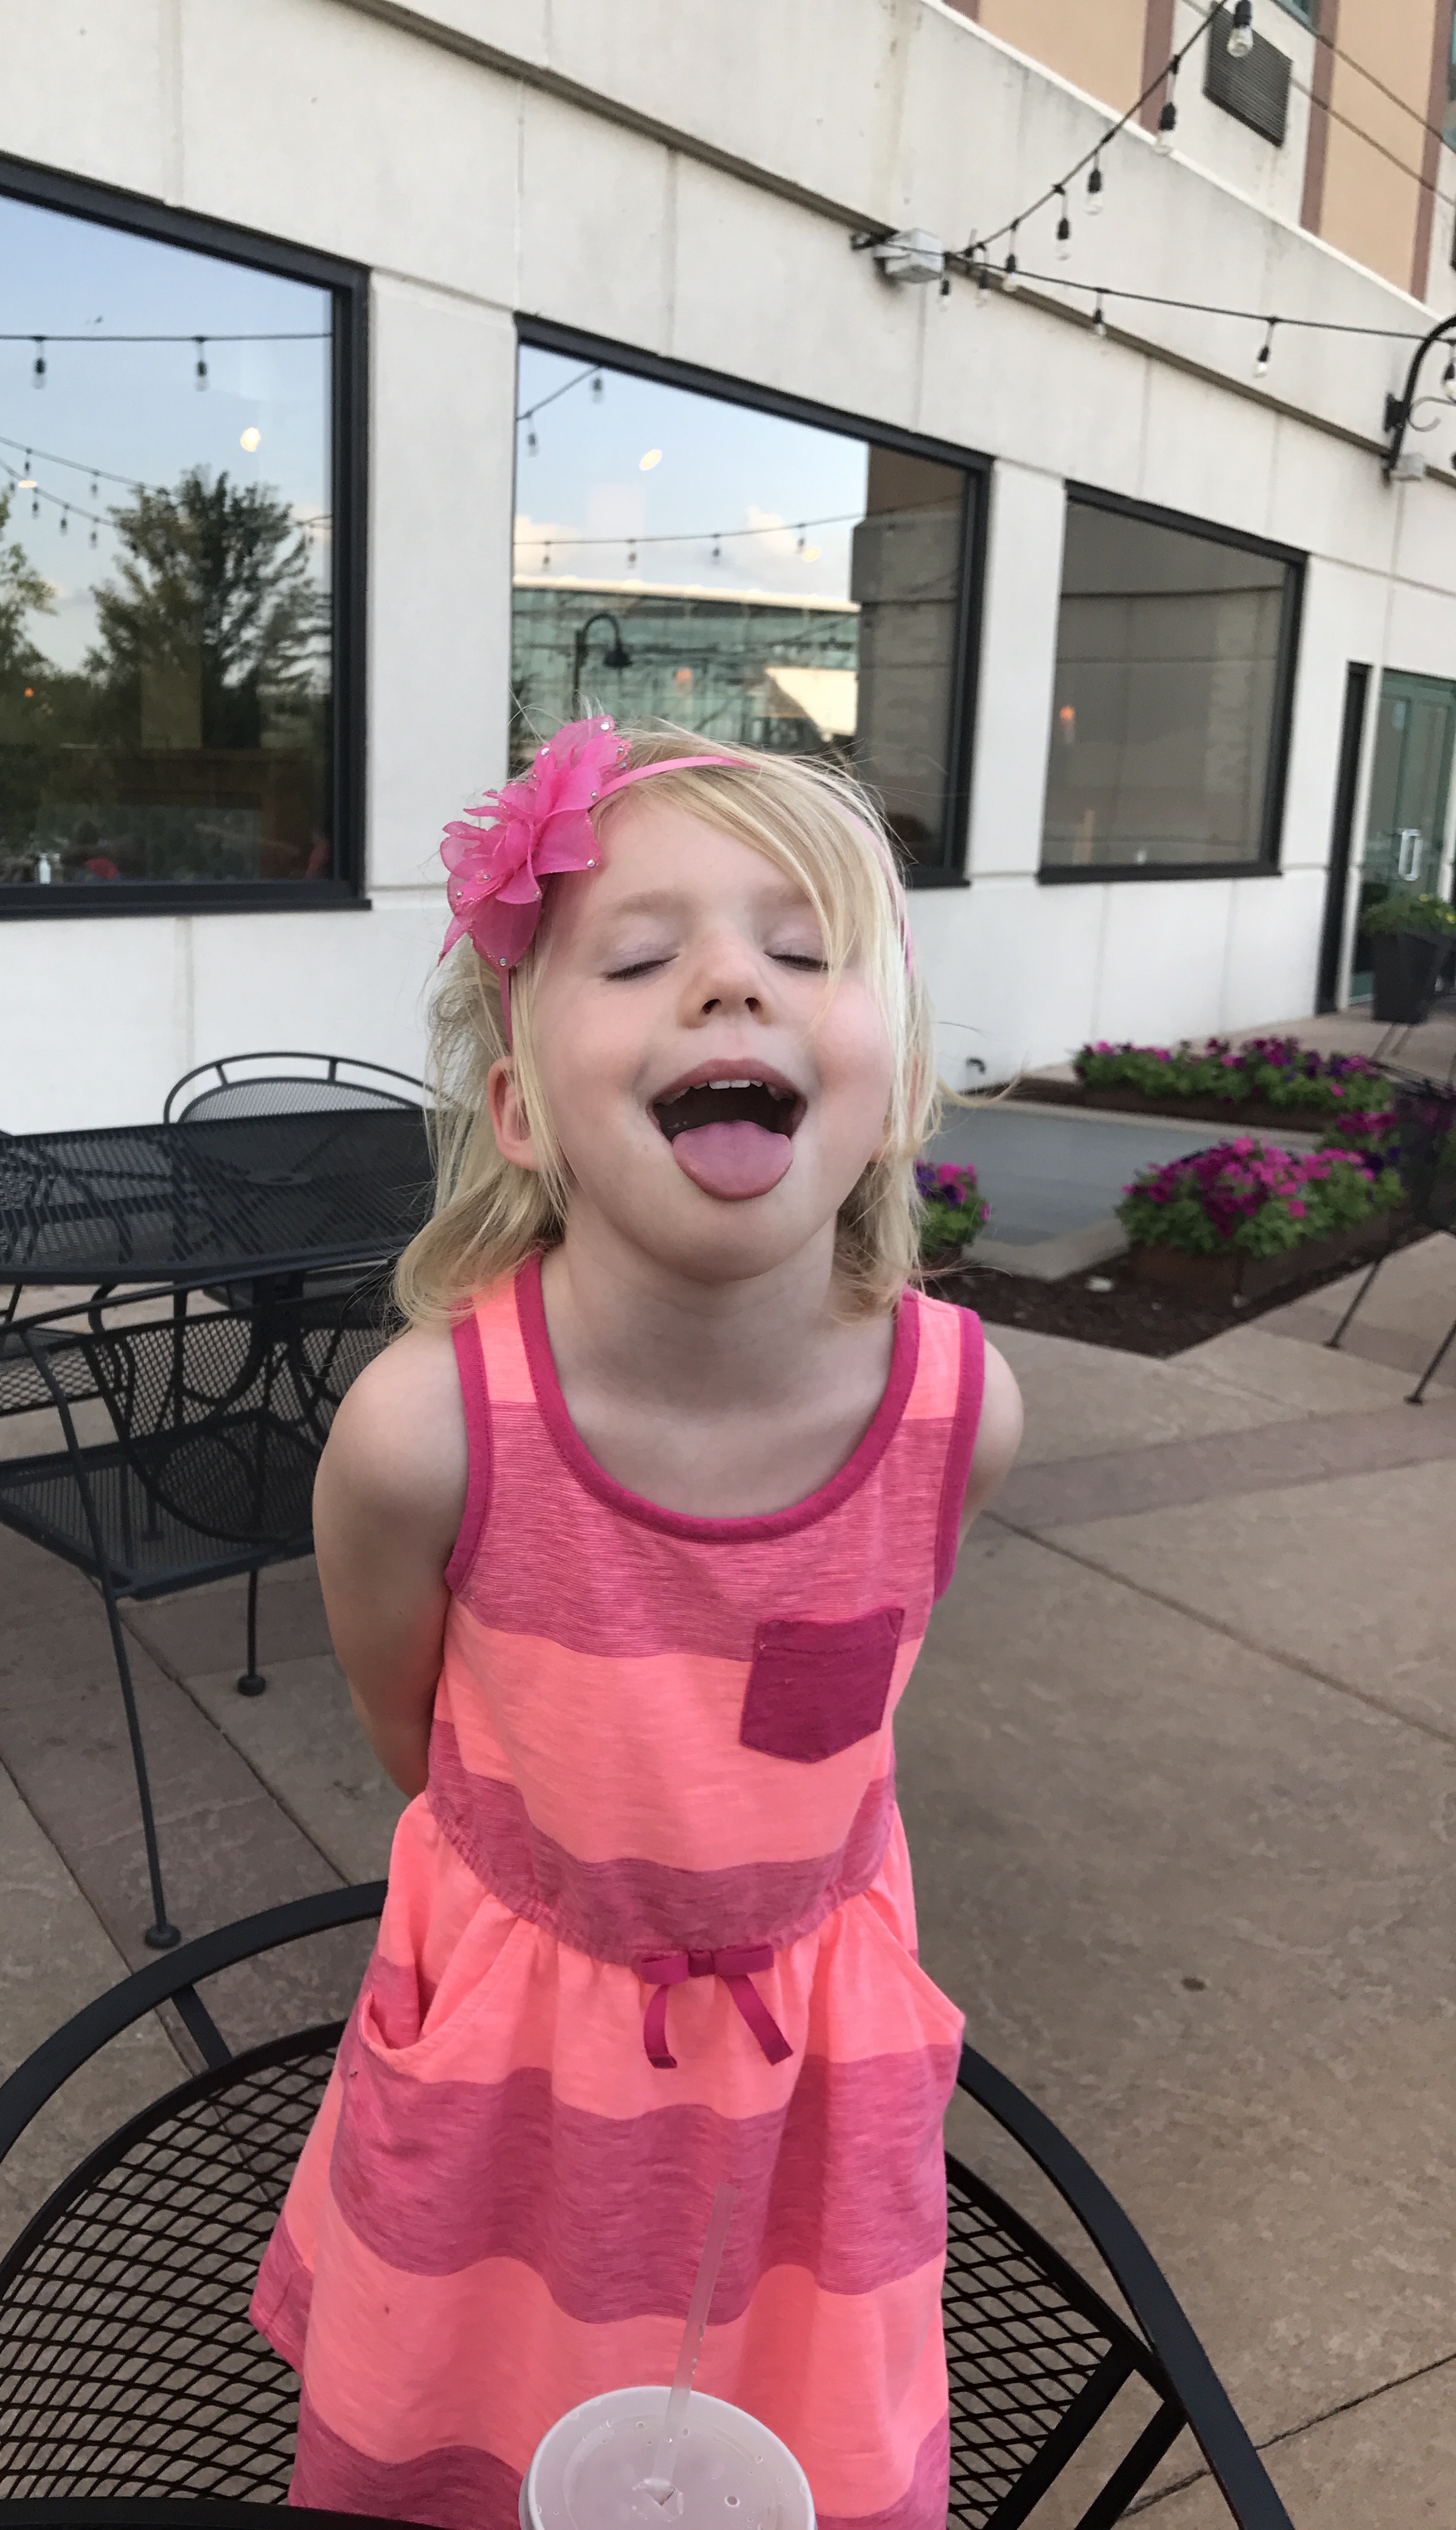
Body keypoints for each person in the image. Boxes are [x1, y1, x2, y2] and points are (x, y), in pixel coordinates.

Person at [251, 718, 1023, 2530]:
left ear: (896, 1083)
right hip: (513, 2088)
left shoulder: (961, 1414)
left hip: (809, 2107)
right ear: (524, 1110)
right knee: (455, 2448)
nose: (734, 982)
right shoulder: (424, 1436)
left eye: (804, 950)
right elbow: (420, 1739)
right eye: (640, 955)